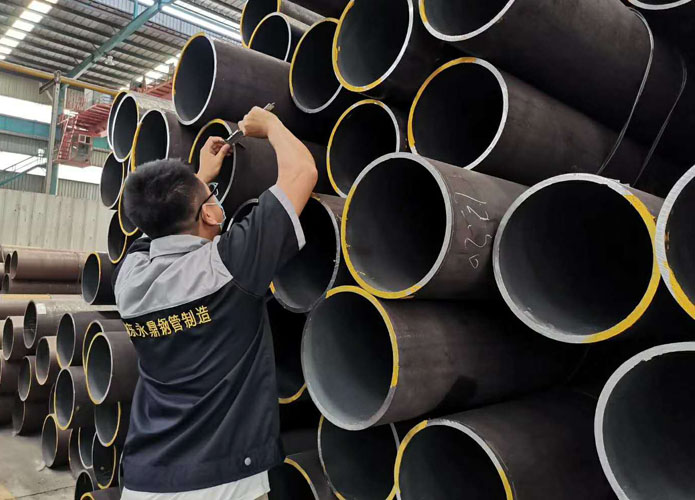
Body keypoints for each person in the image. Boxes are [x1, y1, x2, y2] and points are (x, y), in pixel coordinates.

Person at [115, 106, 317, 500]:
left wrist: (200, 179)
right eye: (212, 196)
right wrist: (270, 125)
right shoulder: (230, 265)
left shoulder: (129, 279)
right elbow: (302, 172)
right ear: (209, 212)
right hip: (225, 483)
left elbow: (158, 226)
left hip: (144, 480)